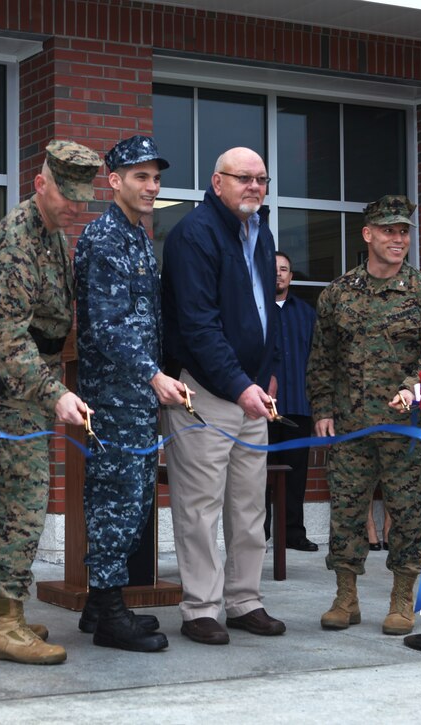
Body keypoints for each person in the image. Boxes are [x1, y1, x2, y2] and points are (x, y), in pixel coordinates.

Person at [0, 140, 100, 665]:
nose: (76, 206)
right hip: (9, 389)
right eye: (67, 194)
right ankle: (6, 621)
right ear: (41, 183)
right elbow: (7, 342)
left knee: (3, 500)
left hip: (28, 388)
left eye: (82, 196)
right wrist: (56, 392)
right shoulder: (16, 242)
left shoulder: (51, 233)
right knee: (20, 502)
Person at [307, 195, 421, 636]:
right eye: (388, 230)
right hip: (350, 425)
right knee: (346, 510)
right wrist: (323, 408)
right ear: (367, 234)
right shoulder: (338, 294)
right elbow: (322, 357)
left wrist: (411, 391)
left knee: (410, 511)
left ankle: (402, 597)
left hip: (407, 428)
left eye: (403, 231)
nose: (398, 238)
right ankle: (345, 597)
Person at [161, 147, 285, 646]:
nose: (254, 187)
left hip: (251, 393)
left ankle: (243, 600)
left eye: (261, 179)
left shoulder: (259, 231)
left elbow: (266, 310)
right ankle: (200, 609)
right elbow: (197, 325)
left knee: (248, 507)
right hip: (206, 391)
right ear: (217, 183)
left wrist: (266, 372)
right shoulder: (195, 235)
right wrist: (240, 384)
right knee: (199, 508)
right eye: (243, 178)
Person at [73, 135, 184, 653]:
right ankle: (110, 611)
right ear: (114, 180)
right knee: (115, 501)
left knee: (135, 498)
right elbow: (107, 325)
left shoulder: (137, 235)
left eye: (156, 177)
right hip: (116, 396)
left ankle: (101, 604)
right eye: (141, 176)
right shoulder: (105, 237)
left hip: (136, 397)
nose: (152, 186)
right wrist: (153, 375)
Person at [265, 251, 318, 552]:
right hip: (261, 407)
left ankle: (293, 534)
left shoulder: (307, 313)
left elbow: (318, 358)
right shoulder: (255, 310)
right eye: (273, 270)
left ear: (291, 276)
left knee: (296, 475)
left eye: (284, 269)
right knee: (259, 475)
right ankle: (260, 534)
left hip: (298, 403)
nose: (279, 274)